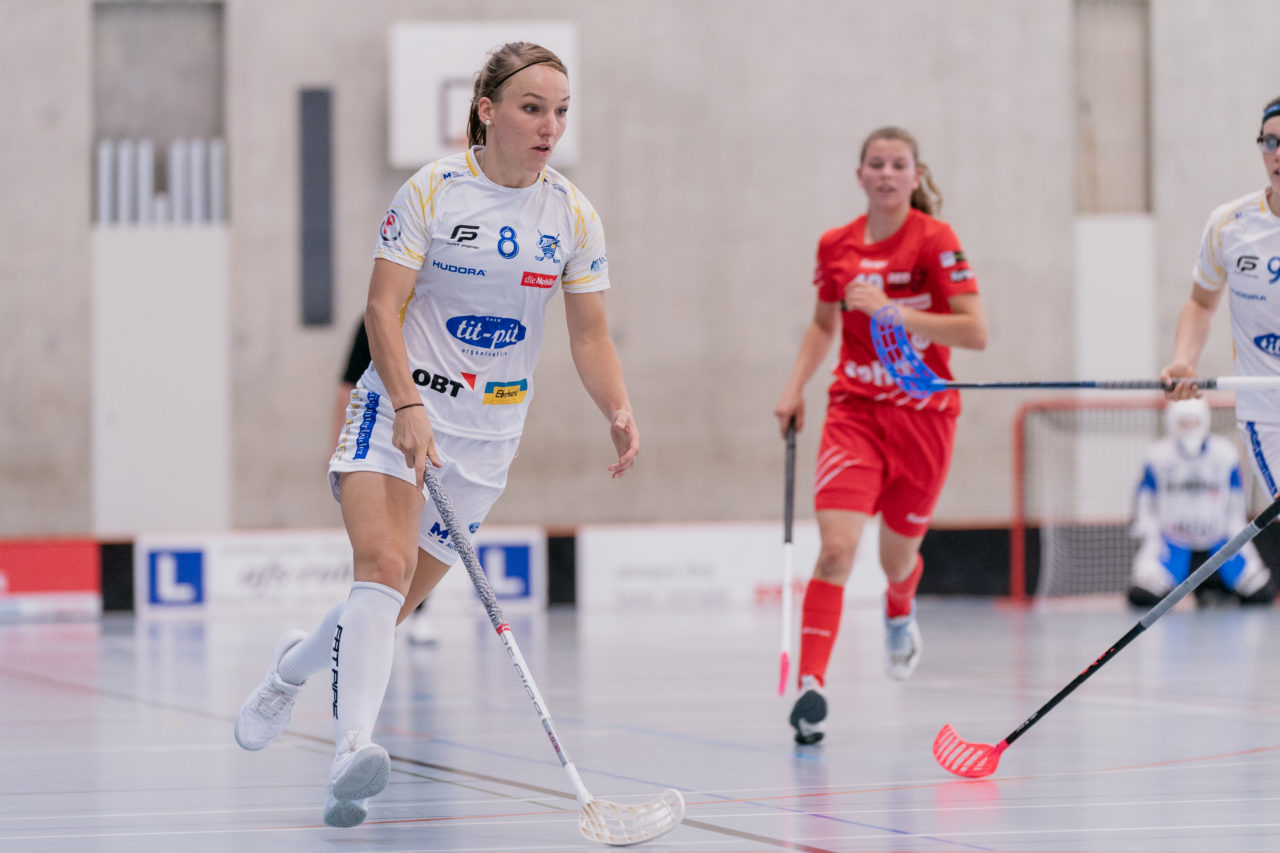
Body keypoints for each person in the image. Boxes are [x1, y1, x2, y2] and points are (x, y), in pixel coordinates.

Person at [235, 42, 638, 827]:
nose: (549, 125)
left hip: (487, 438)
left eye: (560, 110)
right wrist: (409, 403)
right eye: (531, 107)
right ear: (487, 110)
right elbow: (381, 309)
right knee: (380, 566)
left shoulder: (572, 214)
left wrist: (617, 407)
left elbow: (591, 336)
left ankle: (287, 670)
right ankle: (352, 751)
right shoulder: (433, 190)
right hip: (398, 412)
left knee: (384, 606)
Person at [773, 126, 988, 745]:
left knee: (898, 560)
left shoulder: (936, 241)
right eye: (876, 164)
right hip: (856, 414)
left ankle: (900, 607)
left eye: (899, 164)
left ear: (915, 176)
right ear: (860, 175)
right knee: (838, 549)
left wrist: (894, 312)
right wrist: (794, 387)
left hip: (923, 419)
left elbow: (975, 332)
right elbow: (822, 326)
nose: (888, 173)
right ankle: (811, 687)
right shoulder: (834, 245)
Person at [1163, 96, 1280, 501]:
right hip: (1269, 417)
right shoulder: (1229, 226)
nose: (1278, 154)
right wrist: (1185, 360)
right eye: (1270, 142)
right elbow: (1200, 304)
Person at [334, 317, 436, 645]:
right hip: (386, 435)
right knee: (385, 551)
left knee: (421, 536)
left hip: (439, 437)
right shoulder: (374, 320)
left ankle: (419, 612)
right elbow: (347, 385)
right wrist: (339, 442)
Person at [1128, 398, 1272, 608]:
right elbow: (1145, 507)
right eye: (1183, 423)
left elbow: (1235, 511)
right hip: (1173, 545)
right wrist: (1151, 539)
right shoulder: (1157, 457)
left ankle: (1214, 588)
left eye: (1194, 422)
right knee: (1142, 596)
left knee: (1261, 593)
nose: (1190, 428)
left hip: (1220, 544)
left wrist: (1240, 544)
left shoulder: (1225, 454)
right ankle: (1196, 587)